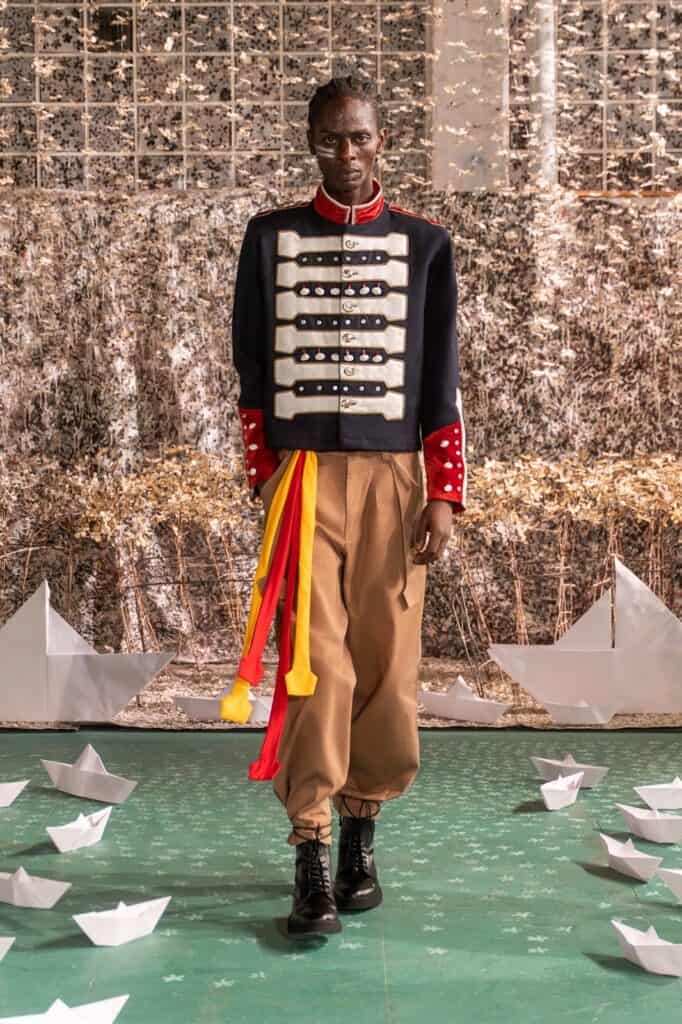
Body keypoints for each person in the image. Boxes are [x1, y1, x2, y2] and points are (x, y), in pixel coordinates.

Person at [229, 74, 467, 938]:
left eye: (360, 136)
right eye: (331, 137)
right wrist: (265, 473)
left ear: (381, 140)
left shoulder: (425, 245)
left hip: (395, 480)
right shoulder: (270, 237)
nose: (347, 152)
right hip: (302, 480)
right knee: (313, 663)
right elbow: (251, 367)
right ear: (311, 142)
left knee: (387, 663)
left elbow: (440, 374)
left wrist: (444, 491)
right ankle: (310, 846)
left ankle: (361, 835)